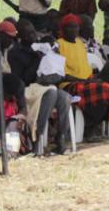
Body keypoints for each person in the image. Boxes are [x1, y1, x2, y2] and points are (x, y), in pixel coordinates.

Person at [56, 13, 109, 140]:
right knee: (103, 90)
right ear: (63, 29)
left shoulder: (80, 44)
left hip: (87, 81)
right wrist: (84, 81)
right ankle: (90, 128)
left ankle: (105, 123)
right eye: (70, 27)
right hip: (69, 84)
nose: (74, 30)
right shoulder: (58, 44)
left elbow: (84, 67)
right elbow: (61, 74)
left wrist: (92, 78)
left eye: (76, 27)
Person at [8, 18, 73, 153]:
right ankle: (37, 137)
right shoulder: (15, 53)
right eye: (28, 34)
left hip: (43, 86)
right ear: (20, 36)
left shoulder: (39, 47)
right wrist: (37, 59)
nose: (33, 37)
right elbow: (21, 79)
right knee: (52, 93)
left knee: (64, 97)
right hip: (27, 89)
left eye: (33, 33)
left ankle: (60, 138)